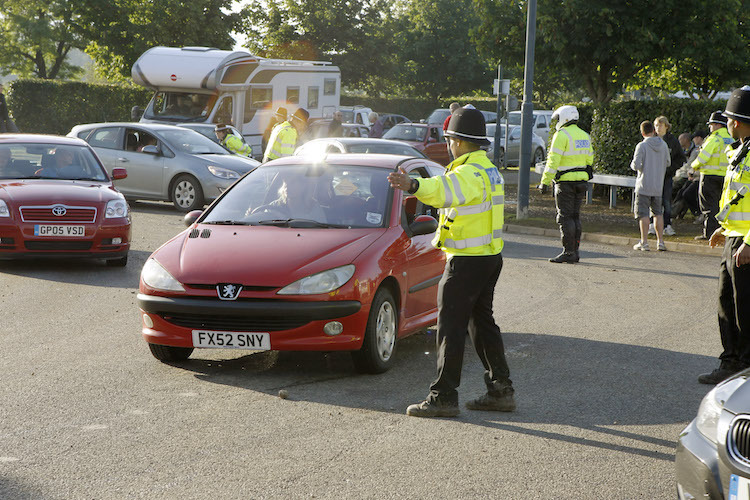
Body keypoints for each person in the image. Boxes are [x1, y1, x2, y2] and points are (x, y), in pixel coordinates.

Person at [387, 107, 514, 418]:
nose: (448, 146)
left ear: (457, 141)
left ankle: (443, 397)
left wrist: (413, 185)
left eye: (449, 140)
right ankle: (501, 390)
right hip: (488, 257)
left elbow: (443, 192)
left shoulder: (467, 173)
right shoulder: (489, 170)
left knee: (451, 327)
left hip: (467, 262)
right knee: (481, 324)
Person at [700, 85, 750, 385]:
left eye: (730, 118)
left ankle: (745, 367)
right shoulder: (741, 149)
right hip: (733, 237)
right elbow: (737, 197)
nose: (727, 122)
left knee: (746, 307)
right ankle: (729, 361)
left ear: (739, 121)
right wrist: (723, 226)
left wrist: (748, 242)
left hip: (746, 244)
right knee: (726, 302)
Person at [539, 105, 594, 263]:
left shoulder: (561, 135)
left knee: (565, 218)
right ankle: (575, 251)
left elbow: (553, 161)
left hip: (565, 183)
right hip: (581, 182)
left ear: (564, 118)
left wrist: (544, 182)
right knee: (575, 217)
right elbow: (590, 159)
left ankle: (568, 252)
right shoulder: (584, 135)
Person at [691, 112, 733, 241]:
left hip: (709, 177)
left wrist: (693, 167)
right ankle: (723, 232)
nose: (710, 127)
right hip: (725, 177)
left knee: (708, 207)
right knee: (722, 205)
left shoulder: (713, 138)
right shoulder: (731, 138)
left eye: (711, 125)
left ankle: (709, 234)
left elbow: (703, 158)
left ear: (716, 125)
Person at [631, 120, 670, 251]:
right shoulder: (663, 145)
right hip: (658, 186)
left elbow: (636, 165)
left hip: (643, 185)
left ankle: (644, 242)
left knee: (643, 214)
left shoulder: (641, 146)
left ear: (642, 132)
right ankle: (660, 242)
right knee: (658, 213)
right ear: (653, 131)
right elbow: (668, 162)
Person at [650, 116, 685, 237]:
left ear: (666, 126)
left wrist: (670, 170)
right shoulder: (650, 140)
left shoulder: (672, 141)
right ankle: (651, 223)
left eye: (660, 125)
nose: (658, 128)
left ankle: (667, 224)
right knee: (653, 200)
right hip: (653, 176)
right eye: (656, 125)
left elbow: (680, 158)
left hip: (666, 177)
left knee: (666, 200)